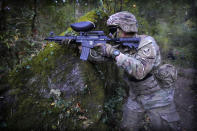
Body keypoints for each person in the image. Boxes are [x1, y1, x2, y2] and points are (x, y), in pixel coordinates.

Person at [88, 11, 180, 130]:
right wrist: (83, 47)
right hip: (136, 95)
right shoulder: (121, 45)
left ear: (124, 28)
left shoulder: (147, 43)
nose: (111, 35)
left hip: (157, 96)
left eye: (112, 30)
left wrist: (113, 52)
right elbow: (101, 57)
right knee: (127, 127)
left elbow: (140, 72)